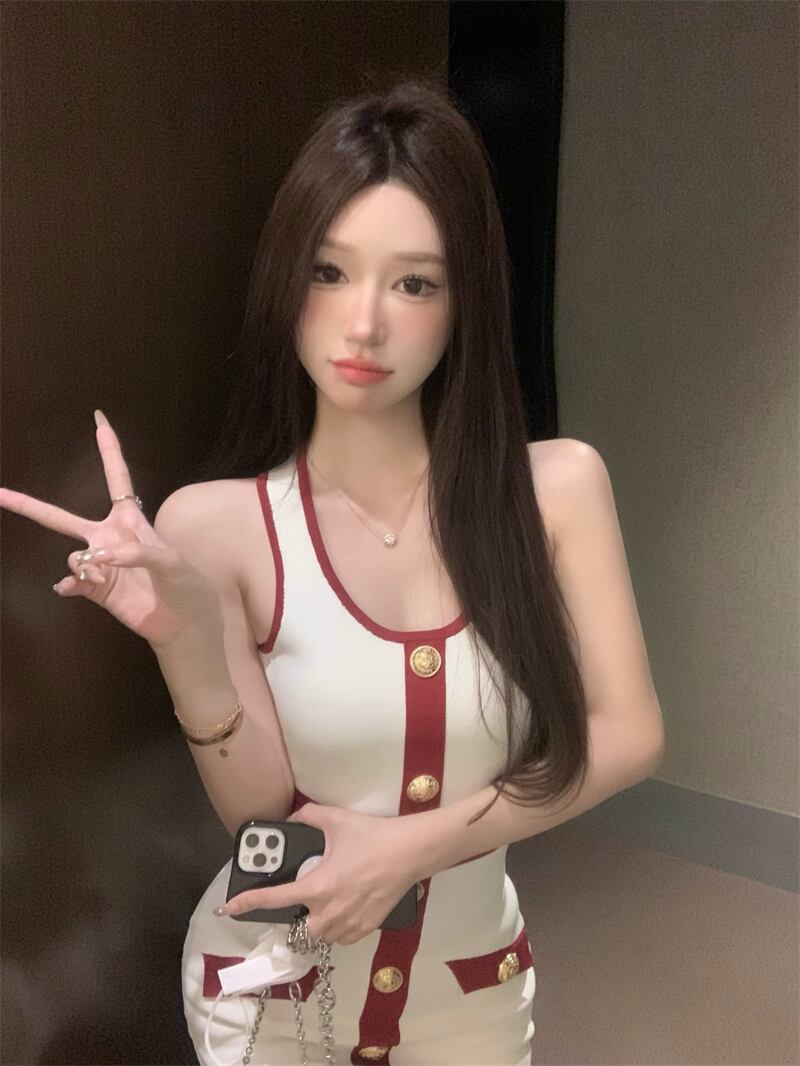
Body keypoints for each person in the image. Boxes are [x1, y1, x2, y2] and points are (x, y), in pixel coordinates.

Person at [0, 80, 664, 1065]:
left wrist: (413, 846)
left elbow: (628, 731)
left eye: (414, 284)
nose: (363, 324)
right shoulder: (216, 524)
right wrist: (187, 643)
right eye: (329, 271)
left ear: (465, 301)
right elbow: (260, 816)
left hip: (471, 992)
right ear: (286, 281)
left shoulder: (557, 491)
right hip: (273, 1000)